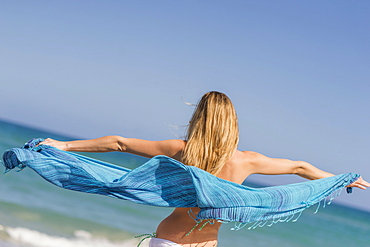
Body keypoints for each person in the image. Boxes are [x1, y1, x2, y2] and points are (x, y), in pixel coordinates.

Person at [39, 91, 369, 247]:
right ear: (232, 124)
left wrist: (63, 146)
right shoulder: (246, 160)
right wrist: (339, 180)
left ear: (199, 119)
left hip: (166, 240)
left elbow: (119, 143)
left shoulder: (181, 151)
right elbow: (299, 167)